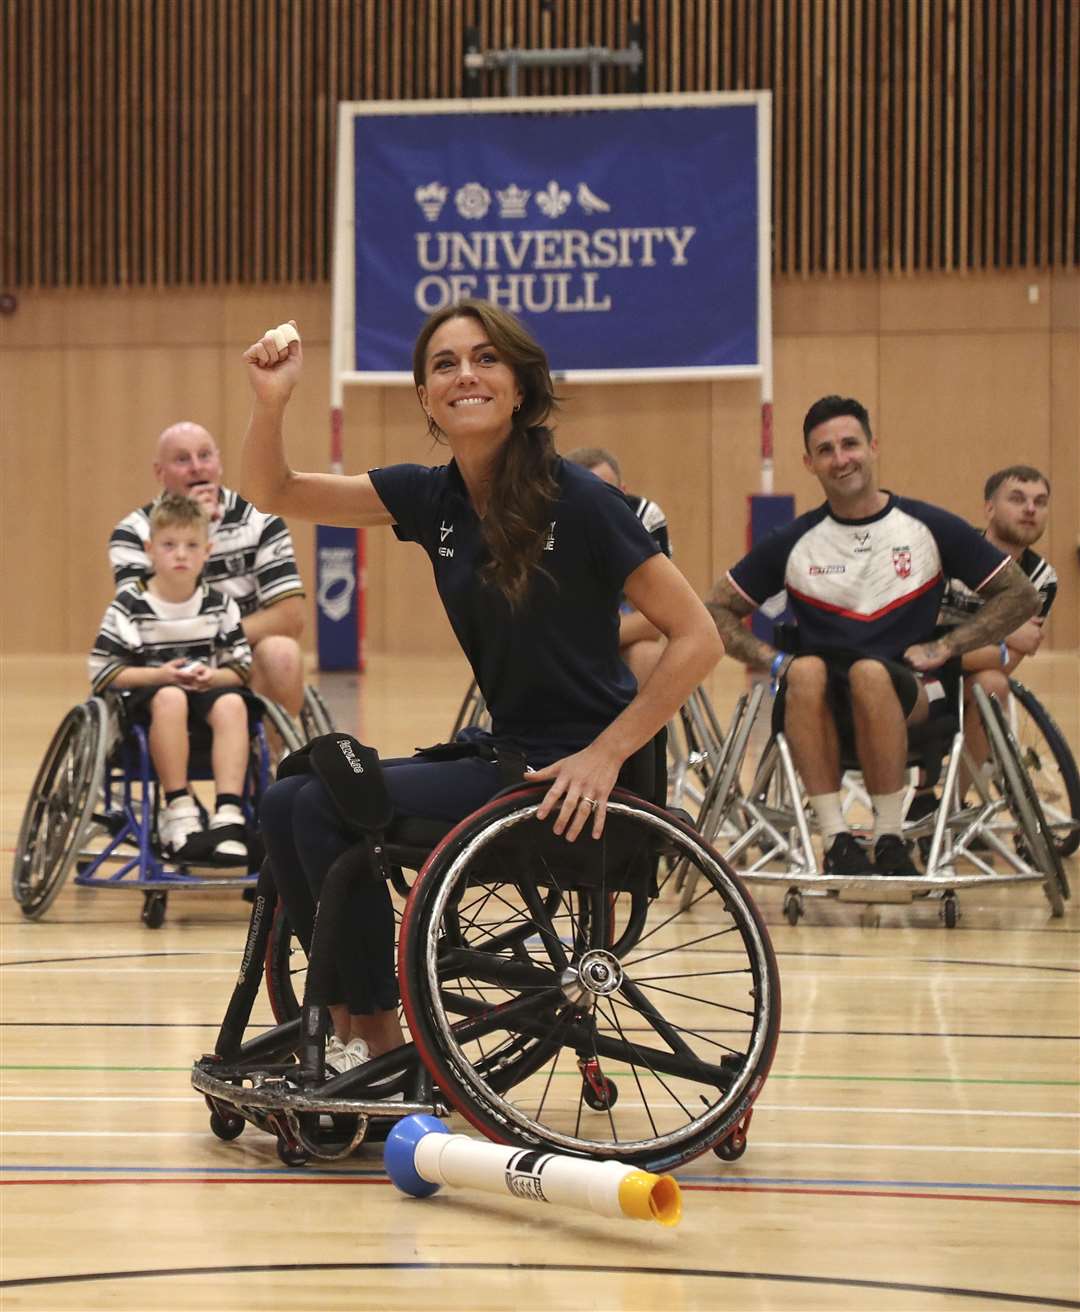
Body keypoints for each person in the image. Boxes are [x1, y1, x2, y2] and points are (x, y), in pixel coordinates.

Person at [240, 302, 722, 1074]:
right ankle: (347, 1026)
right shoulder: (433, 499)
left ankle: (377, 1040)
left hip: (580, 784)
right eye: (444, 364)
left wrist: (605, 756)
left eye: (485, 359)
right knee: (287, 797)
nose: (465, 373)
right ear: (428, 398)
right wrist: (273, 404)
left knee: (330, 802)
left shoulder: (584, 502)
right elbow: (277, 491)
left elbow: (699, 636)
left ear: (521, 388)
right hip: (503, 759)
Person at [706, 395, 1040, 878]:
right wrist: (774, 661)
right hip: (820, 705)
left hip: (915, 695)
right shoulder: (795, 540)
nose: (840, 459)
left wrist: (949, 645)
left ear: (873, 446)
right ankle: (837, 839)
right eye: (825, 450)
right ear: (809, 463)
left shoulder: (927, 526)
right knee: (806, 670)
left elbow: (1020, 596)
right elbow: (714, 608)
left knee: (868, 673)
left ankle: (890, 839)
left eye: (850, 444)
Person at [89, 494, 255, 862]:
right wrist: (159, 675)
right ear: (150, 549)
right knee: (171, 697)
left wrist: (213, 676)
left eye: (191, 545)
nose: (180, 554)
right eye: (169, 545)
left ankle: (228, 815)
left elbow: (241, 667)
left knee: (232, 701)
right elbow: (103, 671)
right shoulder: (130, 605)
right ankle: (178, 808)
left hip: (205, 691)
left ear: (207, 551)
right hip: (149, 699)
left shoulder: (220, 605)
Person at [108, 421, 306, 716]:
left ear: (219, 463)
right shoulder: (133, 532)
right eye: (182, 459)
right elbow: (136, 617)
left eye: (205, 456)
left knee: (283, 653)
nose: (197, 467)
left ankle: (274, 760)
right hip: (162, 658)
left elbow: (290, 618)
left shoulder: (261, 521)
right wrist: (192, 531)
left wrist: (215, 638)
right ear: (159, 473)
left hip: (238, 652)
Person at [907, 465, 1058, 823]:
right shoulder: (947, 555)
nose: (1030, 509)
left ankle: (951, 810)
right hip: (914, 674)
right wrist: (1003, 633)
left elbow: (1003, 664)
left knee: (993, 685)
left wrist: (952, 645)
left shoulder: (1042, 579)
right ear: (989, 508)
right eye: (1018, 499)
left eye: (1040, 502)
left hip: (965, 674)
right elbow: (915, 644)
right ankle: (923, 794)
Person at [565, 446, 671, 687]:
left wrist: (583, 637)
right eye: (585, 495)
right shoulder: (547, 520)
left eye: (606, 493)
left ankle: (641, 726)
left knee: (648, 655)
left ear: (623, 492)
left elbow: (654, 621)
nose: (597, 506)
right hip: (563, 649)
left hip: (602, 637)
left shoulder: (645, 516)